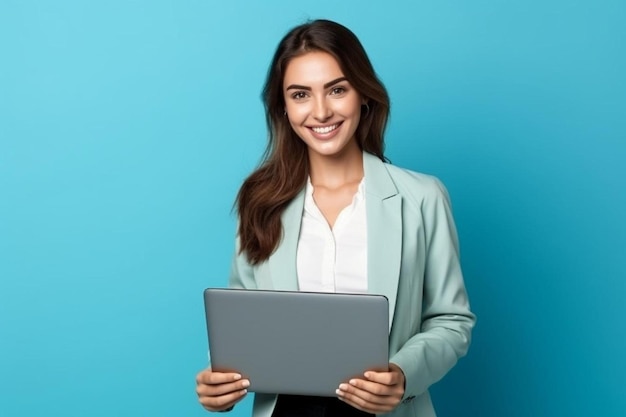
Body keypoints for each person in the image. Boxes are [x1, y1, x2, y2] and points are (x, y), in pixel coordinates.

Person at [196, 19, 475, 417]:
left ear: (363, 95)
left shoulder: (422, 197)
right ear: (283, 107)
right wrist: (218, 378)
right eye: (300, 94)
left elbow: (451, 320)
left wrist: (403, 374)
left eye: (337, 89)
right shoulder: (260, 201)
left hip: (384, 410)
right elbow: (241, 322)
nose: (321, 111)